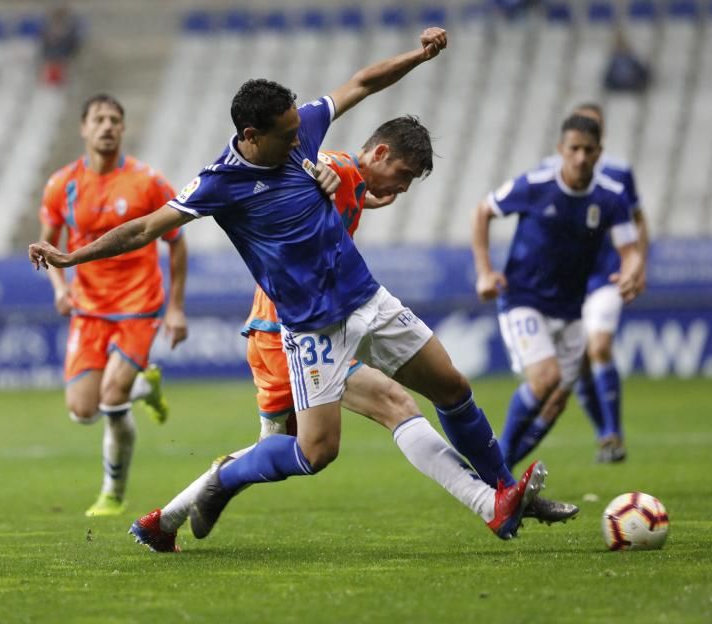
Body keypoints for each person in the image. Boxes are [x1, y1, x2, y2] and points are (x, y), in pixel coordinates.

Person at [30, 28, 565, 543]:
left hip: (366, 299)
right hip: (310, 329)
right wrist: (73, 256)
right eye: (286, 136)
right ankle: (220, 482)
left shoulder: (301, 133)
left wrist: (417, 57)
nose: (299, 141)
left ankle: (502, 494)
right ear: (250, 137)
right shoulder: (219, 184)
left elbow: (360, 83)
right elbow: (146, 228)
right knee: (313, 452)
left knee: (452, 387)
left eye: (297, 130)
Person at [127, 117, 579, 552]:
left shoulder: (352, 184)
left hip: (296, 326)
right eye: (402, 175)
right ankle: (496, 499)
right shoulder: (335, 169)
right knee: (343, 431)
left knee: (301, 441)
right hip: (289, 332)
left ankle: (167, 519)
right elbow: (311, 164)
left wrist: (361, 193)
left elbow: (334, 195)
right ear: (379, 152)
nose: (402, 189)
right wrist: (321, 170)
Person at [37, 94, 189, 517]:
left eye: (115, 120)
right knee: (83, 411)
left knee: (112, 397)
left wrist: (175, 307)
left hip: (139, 306)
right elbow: (47, 245)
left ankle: (112, 493)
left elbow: (176, 243)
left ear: (123, 129)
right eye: (99, 119)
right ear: (83, 128)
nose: (107, 126)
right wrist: (59, 287)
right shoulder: (61, 184)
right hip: (88, 308)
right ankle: (146, 386)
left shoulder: (148, 182)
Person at [471, 114, 645, 471]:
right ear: (560, 150)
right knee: (545, 379)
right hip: (523, 299)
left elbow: (630, 249)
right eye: (574, 149)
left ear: (600, 153)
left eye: (589, 150)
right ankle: (498, 468)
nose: (581, 157)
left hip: (570, 309)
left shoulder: (611, 197)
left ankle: (497, 481)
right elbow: (483, 211)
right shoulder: (535, 185)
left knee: (555, 401)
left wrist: (632, 273)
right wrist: (485, 272)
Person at [540, 103, 649, 463]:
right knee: (579, 361)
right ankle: (605, 436)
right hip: (566, 282)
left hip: (606, 274)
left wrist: (637, 264)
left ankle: (613, 433)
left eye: (594, 133)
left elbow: (636, 220)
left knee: (598, 347)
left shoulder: (619, 172)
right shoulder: (547, 173)